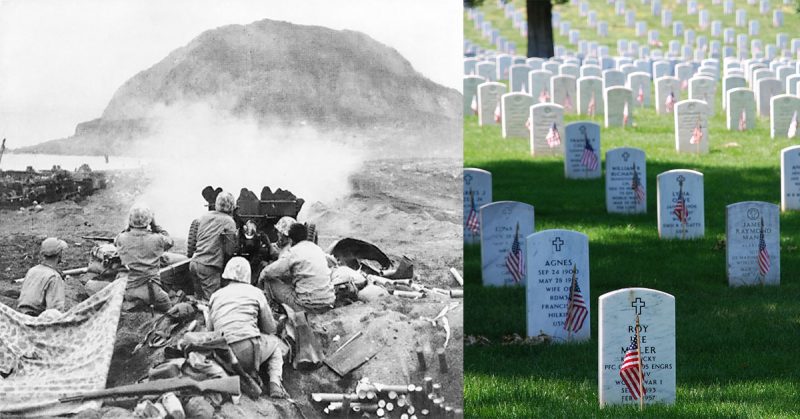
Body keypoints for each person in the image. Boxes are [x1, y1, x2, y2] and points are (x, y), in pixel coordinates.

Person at [208, 257, 288, 398]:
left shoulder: (215, 296)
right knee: (275, 345)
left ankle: (245, 374)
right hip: (249, 351)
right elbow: (270, 328)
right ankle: (275, 383)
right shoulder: (255, 292)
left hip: (223, 355)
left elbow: (210, 331)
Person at [259, 223, 335, 313]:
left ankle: (271, 311)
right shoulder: (317, 249)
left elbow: (269, 272)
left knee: (269, 280)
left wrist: (260, 281)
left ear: (290, 239)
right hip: (328, 301)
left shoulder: (292, 252)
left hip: (306, 305)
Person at [114, 203, 174, 312]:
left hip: (129, 290)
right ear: (149, 220)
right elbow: (170, 242)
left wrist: (128, 227)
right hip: (152, 291)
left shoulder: (121, 238)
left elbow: (116, 240)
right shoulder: (158, 239)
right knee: (171, 311)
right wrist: (155, 226)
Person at [190, 192, 237, 300]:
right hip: (209, 266)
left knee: (198, 299)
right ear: (231, 206)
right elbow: (229, 250)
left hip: (194, 263)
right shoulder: (229, 222)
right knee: (212, 301)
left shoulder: (204, 217)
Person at [17, 237, 68, 316]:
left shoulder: (32, 270)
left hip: (21, 316)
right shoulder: (54, 277)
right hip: (37, 320)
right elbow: (55, 310)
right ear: (59, 254)